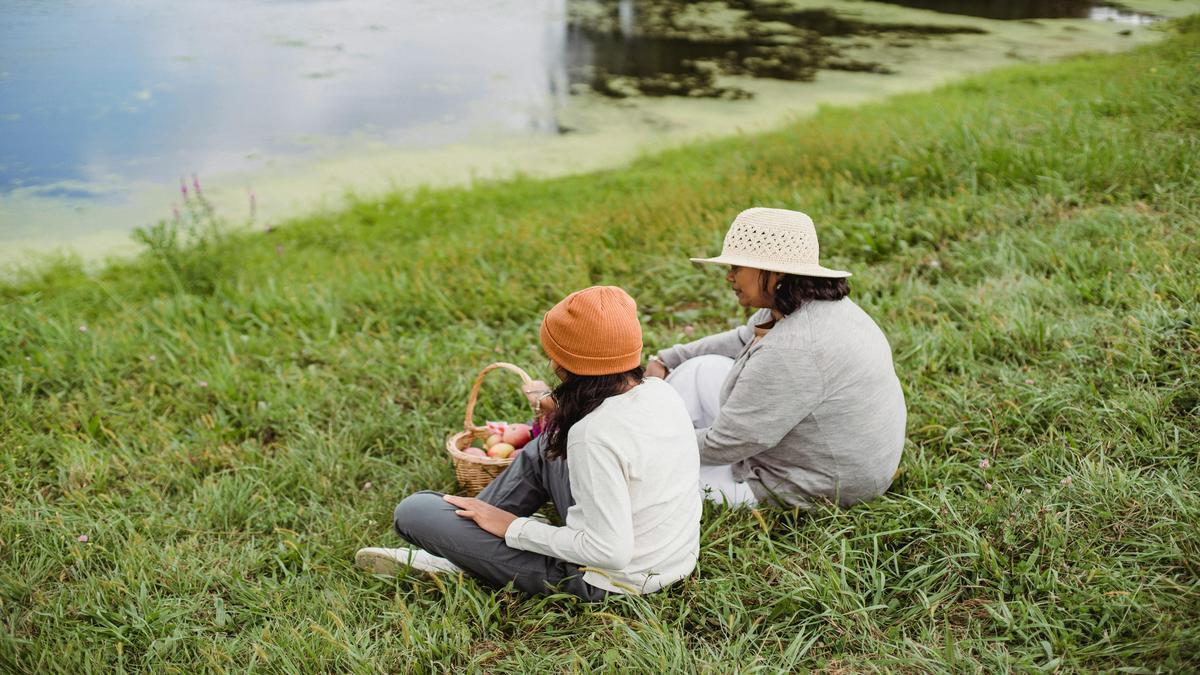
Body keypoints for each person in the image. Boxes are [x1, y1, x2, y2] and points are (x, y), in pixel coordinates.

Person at [356, 286, 701, 600]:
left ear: (564, 364)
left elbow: (609, 551)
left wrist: (515, 528)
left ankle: (457, 556)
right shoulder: (659, 391)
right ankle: (468, 549)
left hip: (605, 581)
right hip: (670, 559)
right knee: (547, 445)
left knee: (413, 513)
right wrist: (551, 404)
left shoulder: (592, 435)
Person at [644, 207, 906, 509]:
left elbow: (725, 443)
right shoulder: (804, 307)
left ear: (776, 272)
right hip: (821, 450)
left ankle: (637, 441)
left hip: (817, 483)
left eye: (737, 267)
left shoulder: (795, 348)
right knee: (697, 369)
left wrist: (647, 444)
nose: (729, 276)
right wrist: (668, 359)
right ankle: (647, 426)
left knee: (652, 482)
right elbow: (742, 338)